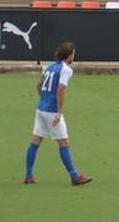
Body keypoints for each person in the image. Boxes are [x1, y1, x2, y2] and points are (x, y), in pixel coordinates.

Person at [23, 41, 93, 186]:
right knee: (63, 142)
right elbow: (60, 89)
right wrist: (59, 112)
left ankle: (29, 176)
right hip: (51, 111)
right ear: (69, 55)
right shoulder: (66, 70)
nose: (74, 56)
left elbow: (38, 85)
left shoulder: (49, 67)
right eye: (73, 54)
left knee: (35, 141)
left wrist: (43, 99)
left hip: (41, 109)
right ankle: (75, 176)